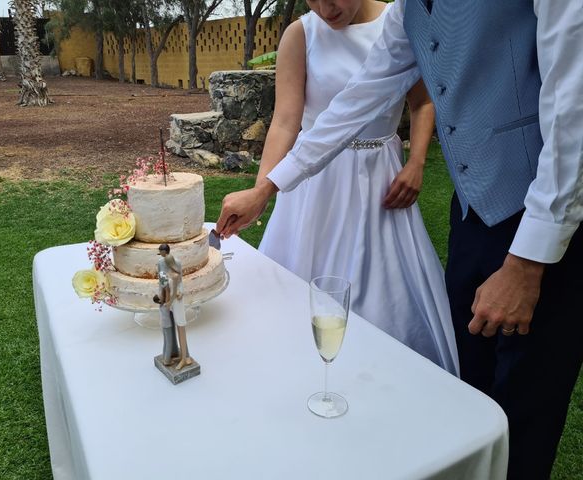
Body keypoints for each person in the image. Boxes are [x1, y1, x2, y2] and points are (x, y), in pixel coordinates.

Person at [217, 1, 583, 478]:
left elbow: (572, 106)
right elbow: (356, 100)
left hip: (545, 229)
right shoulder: (406, 12)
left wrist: (526, 263)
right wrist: (268, 186)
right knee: (467, 389)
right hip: (472, 213)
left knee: (525, 405)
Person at [220, 0, 459, 375]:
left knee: (381, 291)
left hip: (379, 179)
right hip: (312, 183)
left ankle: (378, 376)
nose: (324, 8)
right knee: (295, 289)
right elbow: (285, 120)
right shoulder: (301, 33)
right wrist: (262, 189)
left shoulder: (399, 22)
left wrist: (416, 163)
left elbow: (423, 103)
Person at [157, 244, 193, 370]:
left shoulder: (176, 272)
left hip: (177, 302)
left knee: (181, 327)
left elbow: (178, 285)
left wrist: (174, 297)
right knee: (177, 327)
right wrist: (165, 299)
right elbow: (163, 285)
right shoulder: (162, 266)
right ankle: (182, 356)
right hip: (171, 301)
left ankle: (184, 358)